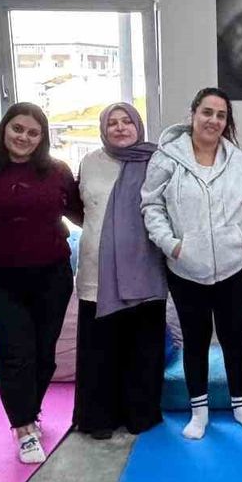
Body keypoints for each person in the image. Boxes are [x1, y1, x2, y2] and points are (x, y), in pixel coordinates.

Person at [141, 88, 242, 440]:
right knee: (195, 342)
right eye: (207, 112)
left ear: (227, 122)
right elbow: (151, 206)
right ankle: (199, 413)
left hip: (233, 266)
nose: (213, 120)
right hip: (186, 268)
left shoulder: (240, 161)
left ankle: (241, 407)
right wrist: (172, 244)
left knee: (234, 339)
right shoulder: (167, 158)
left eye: (221, 115)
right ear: (193, 114)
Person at [0, 102, 83, 464]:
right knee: (14, 352)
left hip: (51, 276)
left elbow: (84, 213)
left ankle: (30, 412)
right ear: (4, 129)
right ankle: (22, 427)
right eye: (17, 129)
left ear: (42, 138)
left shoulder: (57, 172)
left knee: (43, 356)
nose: (24, 137)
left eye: (33, 132)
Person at [72, 103, 168, 440]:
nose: (120, 127)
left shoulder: (157, 161)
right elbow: (79, 208)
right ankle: (98, 419)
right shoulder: (90, 162)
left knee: (142, 349)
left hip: (144, 269)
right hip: (97, 273)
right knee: (99, 350)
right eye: (112, 122)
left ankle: (140, 415)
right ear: (103, 129)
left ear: (138, 125)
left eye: (127, 121)